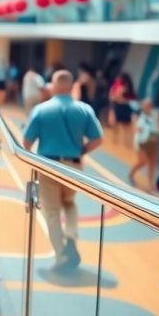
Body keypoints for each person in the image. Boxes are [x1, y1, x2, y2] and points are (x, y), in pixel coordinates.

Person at [22, 70, 104, 271]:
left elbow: (26, 142)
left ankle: (61, 255)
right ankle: (71, 235)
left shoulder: (41, 110)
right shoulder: (84, 109)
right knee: (69, 202)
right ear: (71, 85)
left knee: (51, 212)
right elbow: (98, 139)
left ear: (54, 85)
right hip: (74, 166)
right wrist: (81, 151)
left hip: (49, 166)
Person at [128, 98, 159, 192]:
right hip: (141, 142)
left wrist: (153, 132)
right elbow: (136, 129)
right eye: (145, 105)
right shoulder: (137, 115)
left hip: (152, 143)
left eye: (149, 105)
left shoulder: (155, 116)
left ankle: (150, 185)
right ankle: (131, 174)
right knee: (143, 161)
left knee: (152, 164)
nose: (147, 107)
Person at [108, 72, 136, 149]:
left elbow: (116, 97)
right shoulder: (118, 86)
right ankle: (116, 142)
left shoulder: (125, 87)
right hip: (119, 106)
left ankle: (126, 143)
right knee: (117, 125)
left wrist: (123, 100)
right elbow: (113, 97)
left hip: (123, 107)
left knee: (126, 126)